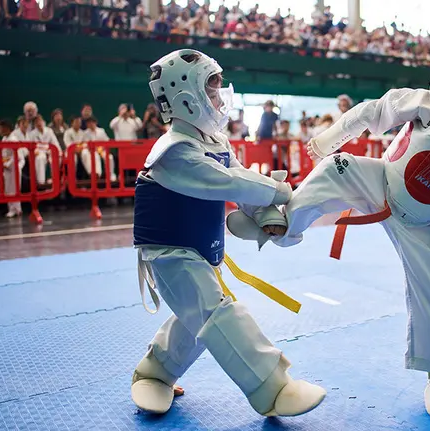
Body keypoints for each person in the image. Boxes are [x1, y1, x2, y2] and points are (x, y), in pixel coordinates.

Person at [228, 21, 430, 418]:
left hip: (426, 224)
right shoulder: (421, 102)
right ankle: (279, 225)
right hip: (382, 181)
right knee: (338, 167)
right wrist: (327, 142)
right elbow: (370, 112)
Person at [129, 49, 326, 417]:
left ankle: (155, 373)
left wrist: (270, 219)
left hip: (197, 247)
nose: (220, 98)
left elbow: (238, 183)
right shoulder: (174, 152)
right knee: (217, 314)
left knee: (197, 320)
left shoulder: (215, 142)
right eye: (213, 89)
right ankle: (273, 389)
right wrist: (278, 190)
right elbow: (227, 181)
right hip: (169, 253)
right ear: (187, 98)